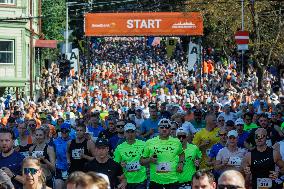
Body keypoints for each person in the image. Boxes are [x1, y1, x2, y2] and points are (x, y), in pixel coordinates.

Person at [140, 118, 185, 189]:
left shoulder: (177, 142)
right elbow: (141, 161)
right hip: (156, 182)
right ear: (158, 129)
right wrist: (150, 160)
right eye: (162, 127)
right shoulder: (149, 142)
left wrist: (181, 163)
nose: (164, 129)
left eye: (167, 127)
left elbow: (182, 154)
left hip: (173, 180)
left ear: (170, 129)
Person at [113, 123, 147, 189]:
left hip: (141, 180)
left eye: (132, 132)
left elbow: (150, 158)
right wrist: (120, 164)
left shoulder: (143, 144)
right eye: (128, 132)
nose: (130, 134)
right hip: (126, 181)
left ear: (135, 133)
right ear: (124, 133)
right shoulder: (119, 147)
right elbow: (115, 165)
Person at [53, 123, 72, 189]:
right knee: (58, 185)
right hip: (59, 168)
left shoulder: (73, 141)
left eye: (66, 131)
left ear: (69, 131)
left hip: (70, 168)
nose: (64, 132)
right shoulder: (55, 141)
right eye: (62, 131)